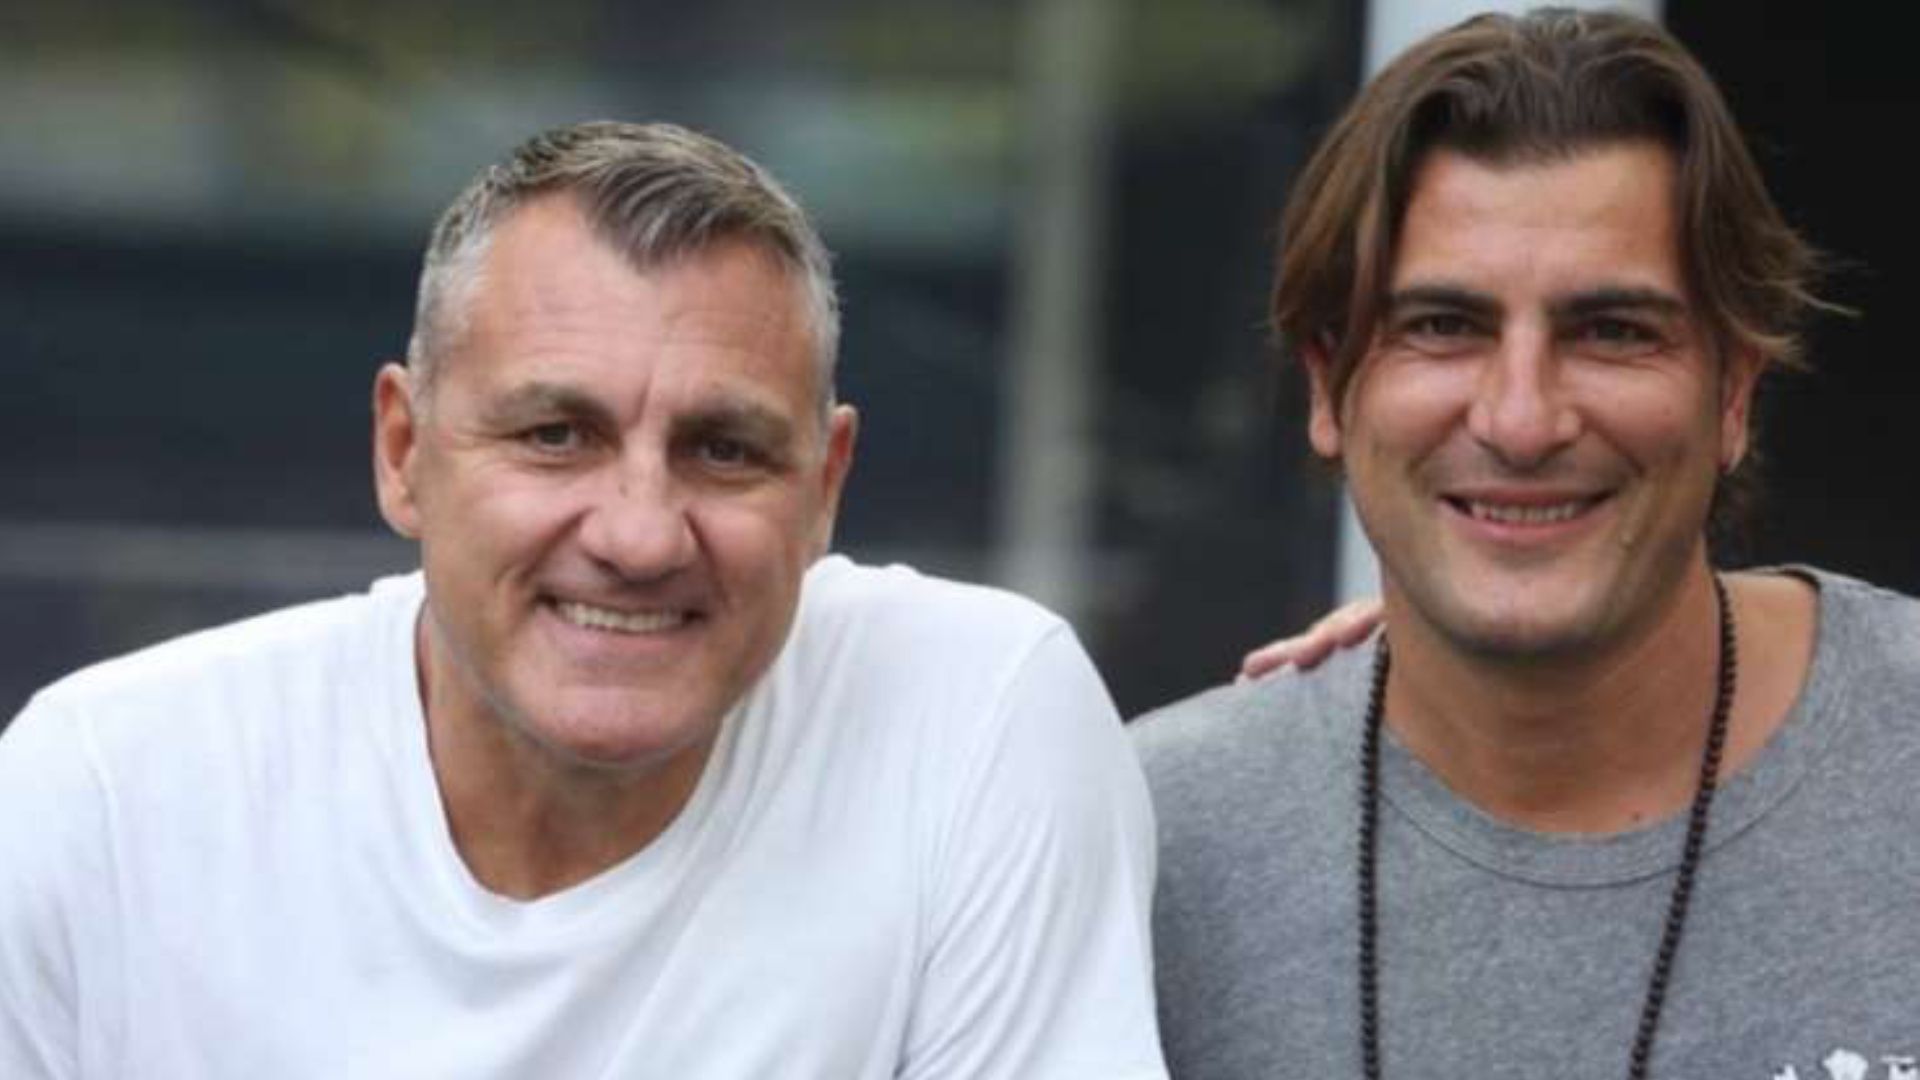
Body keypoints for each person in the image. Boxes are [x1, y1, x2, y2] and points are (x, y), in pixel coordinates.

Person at [0, 121, 1169, 1079]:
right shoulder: (110, 792)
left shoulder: (968, 717)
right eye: (556, 435)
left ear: (825, 488)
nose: (639, 535)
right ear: (404, 451)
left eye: (724, 450)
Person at [1134, 8, 1920, 1078]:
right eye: (1442, 327)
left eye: (1613, 332)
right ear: (1327, 387)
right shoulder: (1148, 841)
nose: (1520, 420)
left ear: (1734, 392)